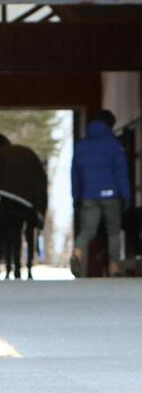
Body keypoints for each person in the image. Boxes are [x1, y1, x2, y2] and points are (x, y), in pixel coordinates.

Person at [70, 109, 131, 277]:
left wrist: (76, 197)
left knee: (87, 230)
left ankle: (78, 252)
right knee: (113, 232)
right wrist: (126, 195)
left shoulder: (81, 146)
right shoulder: (114, 145)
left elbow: (75, 175)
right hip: (112, 196)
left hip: (89, 195)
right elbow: (121, 173)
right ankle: (114, 266)